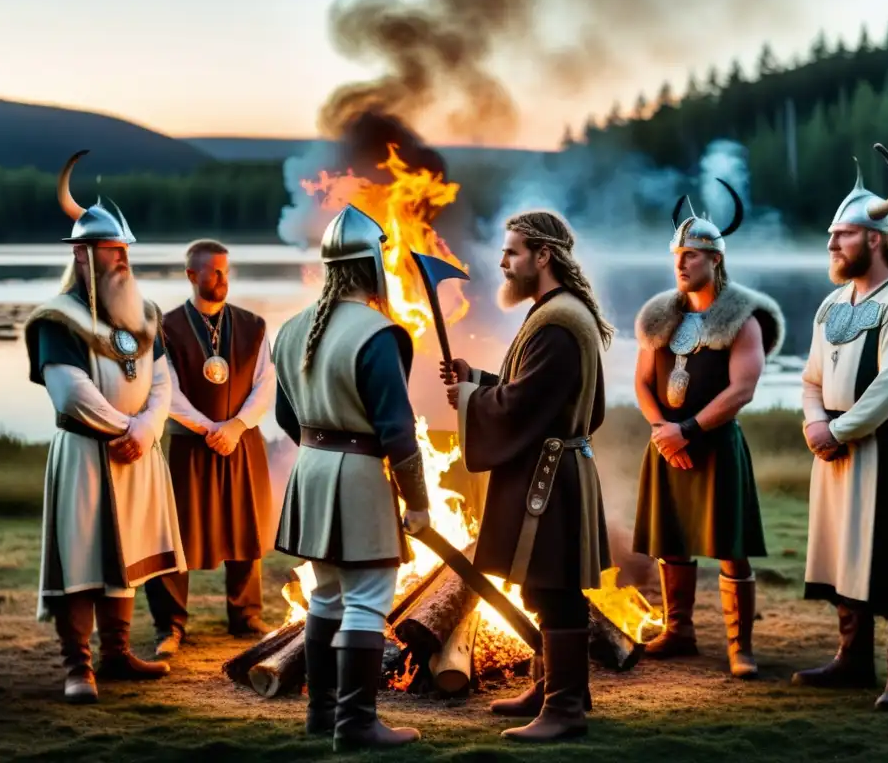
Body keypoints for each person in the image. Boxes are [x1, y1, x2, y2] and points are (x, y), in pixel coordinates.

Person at [441, 210, 611, 743]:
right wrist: (480, 381)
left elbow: (526, 402)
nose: (502, 261)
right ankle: (555, 689)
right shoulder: (557, 312)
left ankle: (564, 711)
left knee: (555, 588)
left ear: (543, 256)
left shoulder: (559, 321)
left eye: (512, 251)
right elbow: (537, 390)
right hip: (554, 467)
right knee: (546, 587)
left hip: (551, 477)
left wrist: (471, 399)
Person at [22, 149, 184, 703]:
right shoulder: (57, 317)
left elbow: (163, 381)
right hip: (88, 454)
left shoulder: (145, 314)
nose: (121, 261)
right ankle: (78, 667)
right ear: (84, 256)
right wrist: (127, 428)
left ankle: (116, 654)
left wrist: (148, 428)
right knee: (83, 558)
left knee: (128, 557)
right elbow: (71, 390)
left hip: (137, 452)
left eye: (124, 252)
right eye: (111, 252)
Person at [793, 143, 888, 711]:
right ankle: (853, 660)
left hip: (886, 448)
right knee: (842, 552)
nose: (832, 244)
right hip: (833, 449)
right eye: (832, 236)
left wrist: (836, 432)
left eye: (844, 235)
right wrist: (816, 424)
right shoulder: (833, 305)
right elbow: (811, 378)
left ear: (875, 239)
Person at [270, 204, 430, 752]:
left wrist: (322, 457)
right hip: (359, 476)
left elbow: (285, 418)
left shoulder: (290, 330)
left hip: (310, 472)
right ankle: (357, 724)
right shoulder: (379, 333)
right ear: (372, 265)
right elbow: (398, 430)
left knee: (326, 597)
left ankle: (321, 714)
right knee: (365, 601)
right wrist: (419, 503)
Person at [630, 181, 785, 679]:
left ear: (715, 260)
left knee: (729, 544)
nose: (681, 263)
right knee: (672, 539)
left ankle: (741, 646)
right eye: (678, 254)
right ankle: (679, 632)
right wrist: (662, 430)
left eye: (693, 255)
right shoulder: (660, 314)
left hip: (714, 445)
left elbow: (742, 389)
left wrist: (688, 430)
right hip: (666, 443)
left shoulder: (742, 317)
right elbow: (640, 380)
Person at [145, 239, 277, 656]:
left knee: (245, 523)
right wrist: (208, 428)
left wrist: (235, 426)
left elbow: (265, 384)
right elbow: (166, 389)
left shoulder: (253, 325)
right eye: (213, 271)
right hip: (190, 445)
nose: (222, 278)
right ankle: (170, 625)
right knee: (177, 531)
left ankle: (246, 616)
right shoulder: (165, 327)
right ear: (191, 275)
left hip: (240, 441)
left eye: (225, 270)